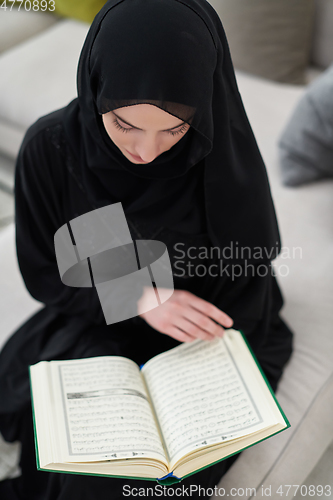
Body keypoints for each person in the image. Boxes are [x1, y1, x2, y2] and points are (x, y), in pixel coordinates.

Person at [0, 0, 293, 498]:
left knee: (156, 484)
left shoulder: (218, 156)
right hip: (102, 314)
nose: (147, 152)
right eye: (125, 125)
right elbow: (48, 274)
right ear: (96, 92)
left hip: (208, 323)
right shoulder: (52, 151)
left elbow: (244, 281)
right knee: (77, 470)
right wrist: (138, 298)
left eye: (174, 129)